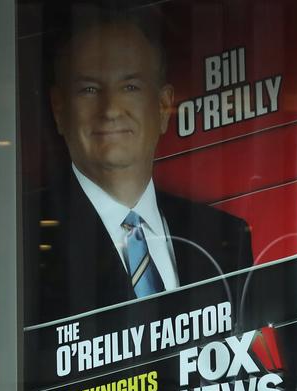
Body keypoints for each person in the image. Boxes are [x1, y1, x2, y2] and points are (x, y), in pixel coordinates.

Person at [23, 13, 252, 325]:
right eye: (89, 90)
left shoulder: (225, 237)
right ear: (59, 109)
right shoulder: (24, 244)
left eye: (130, 86)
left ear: (162, 106)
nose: (111, 109)